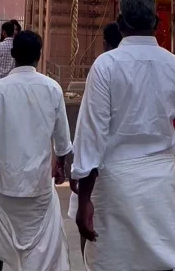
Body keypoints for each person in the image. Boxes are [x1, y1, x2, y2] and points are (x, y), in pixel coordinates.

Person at [72, 0, 175, 271]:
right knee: (162, 258)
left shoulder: (106, 66)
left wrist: (84, 197)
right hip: (160, 182)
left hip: (114, 181)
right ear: (157, 25)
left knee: (113, 260)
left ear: (120, 24)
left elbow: (91, 133)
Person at [0, 30, 72, 271]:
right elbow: (62, 138)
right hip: (37, 184)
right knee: (42, 245)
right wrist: (61, 165)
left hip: (3, 182)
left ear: (14, 54)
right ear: (39, 56)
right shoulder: (52, 88)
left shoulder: (1, 89)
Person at [68, 21, 123, 258]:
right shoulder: (163, 66)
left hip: (102, 167)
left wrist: (79, 173)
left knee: (89, 223)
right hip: (144, 172)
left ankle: (87, 262)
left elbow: (89, 129)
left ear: (105, 43)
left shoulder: (103, 67)